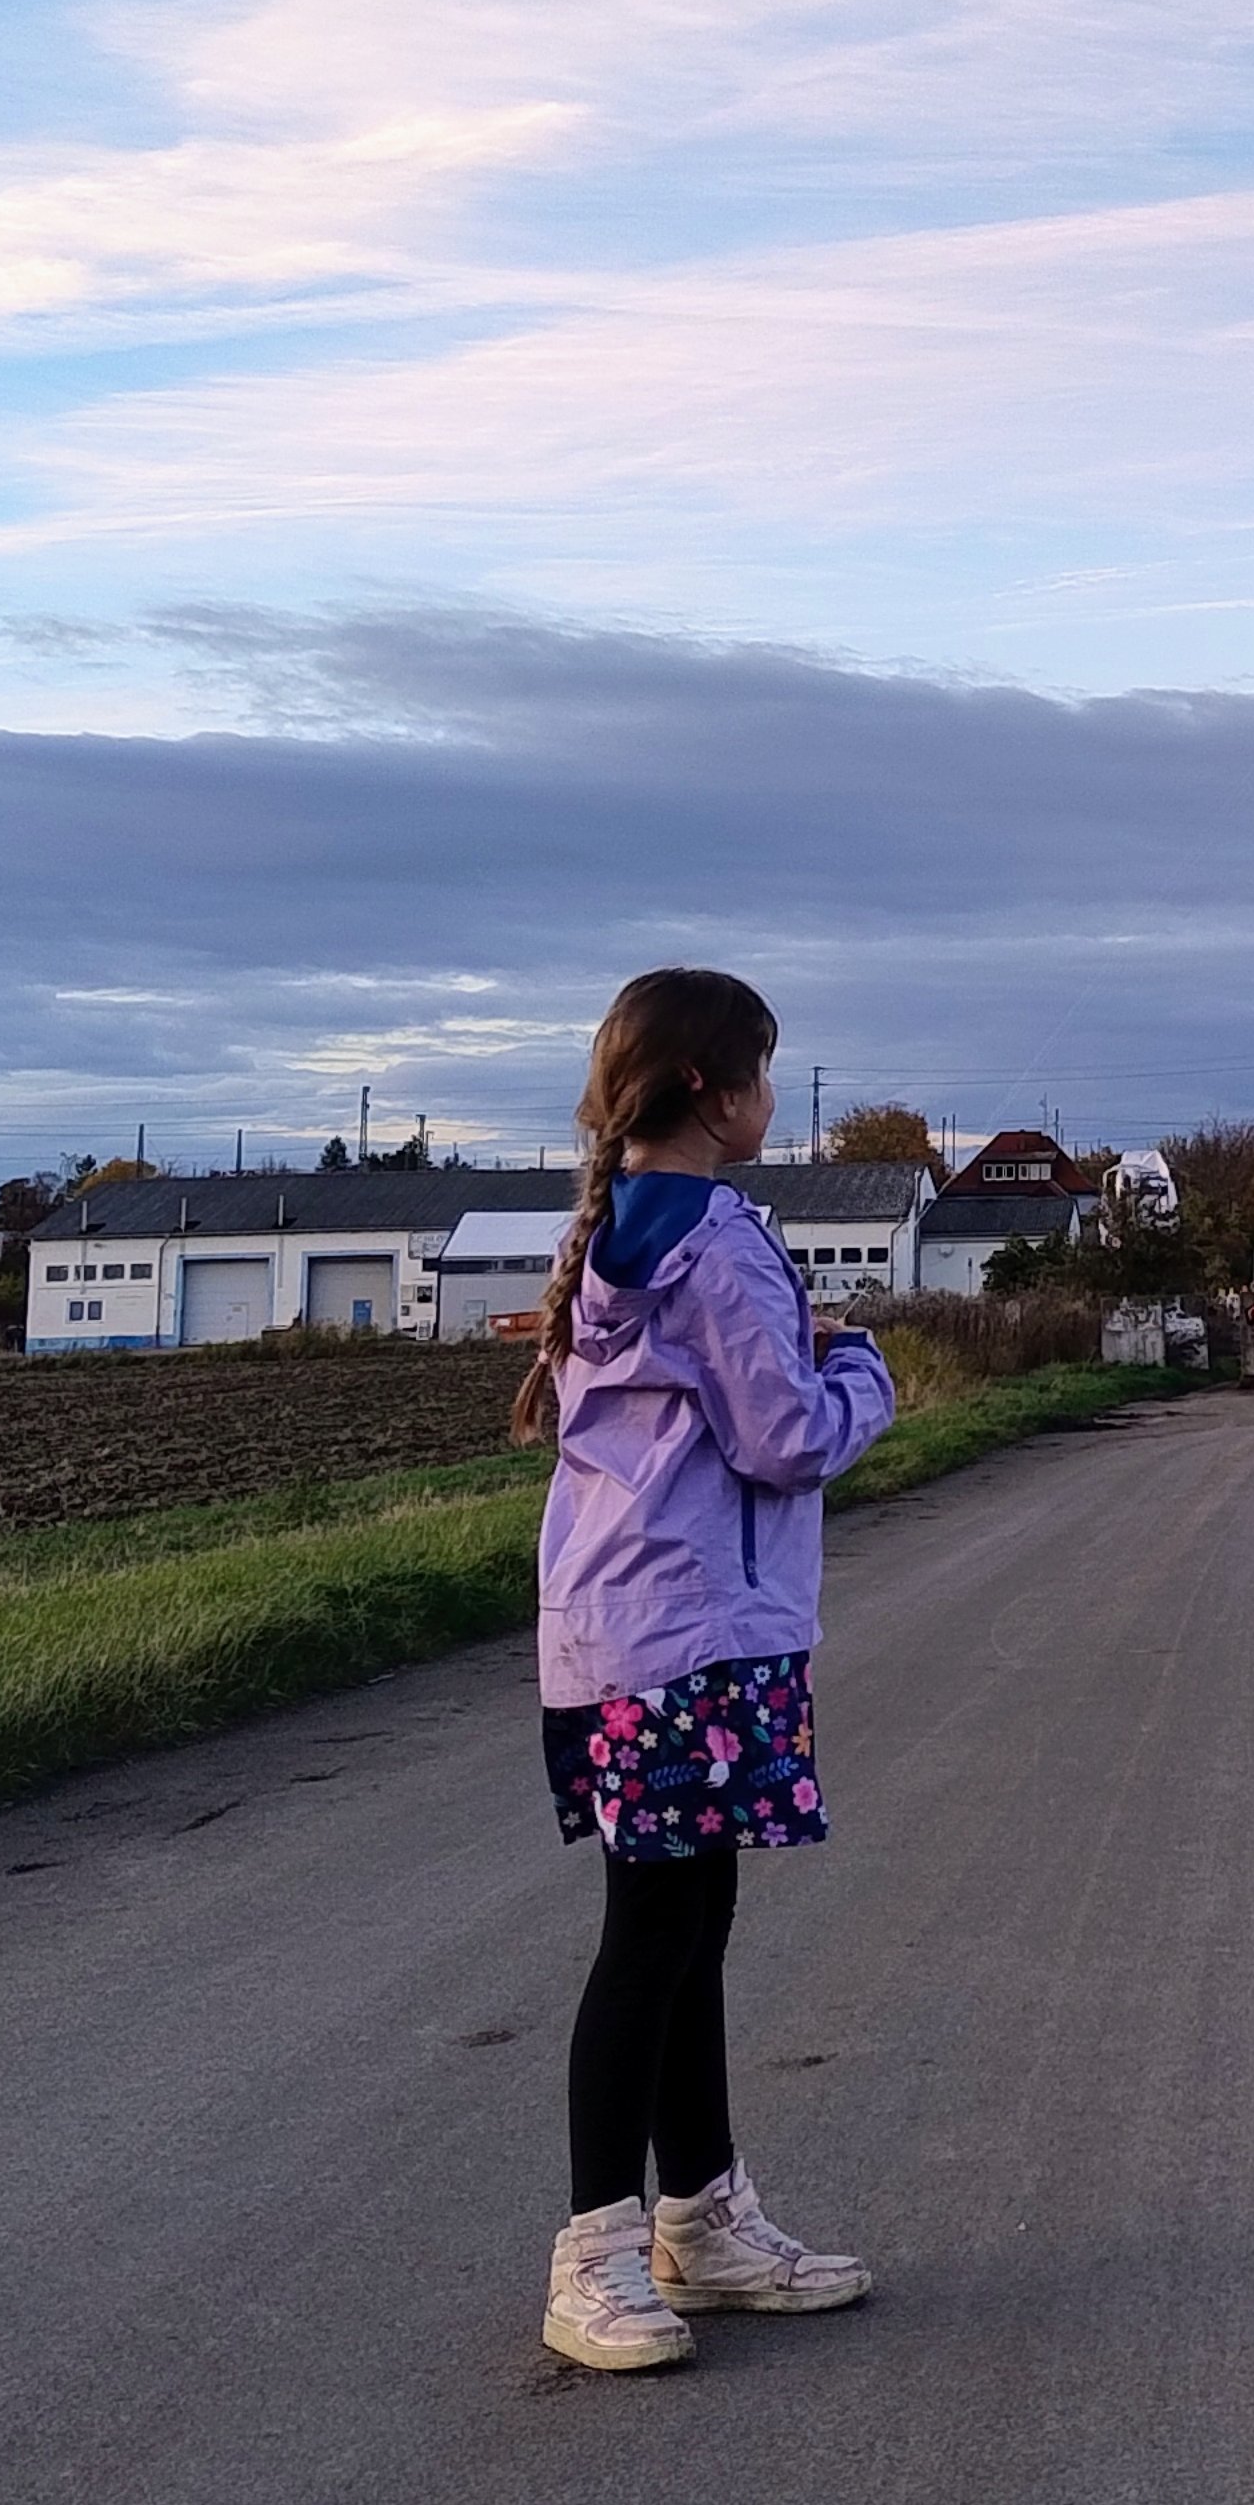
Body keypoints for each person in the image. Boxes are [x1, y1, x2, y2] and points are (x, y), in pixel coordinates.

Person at [519, 965, 896, 2373]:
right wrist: (865, 1376)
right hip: (688, 1635)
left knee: (685, 1923)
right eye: (756, 1072)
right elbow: (785, 1437)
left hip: (634, 1632)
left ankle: (704, 2219)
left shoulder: (626, 1226)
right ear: (705, 1087)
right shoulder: (722, 1241)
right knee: (653, 1942)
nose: (766, 1098)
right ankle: (598, 2255)